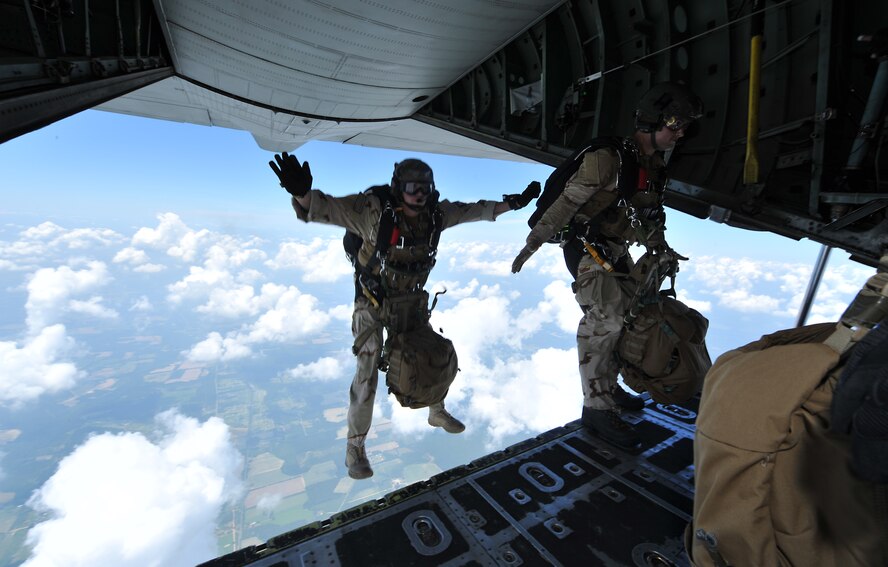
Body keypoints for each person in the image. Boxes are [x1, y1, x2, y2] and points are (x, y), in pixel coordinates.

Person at [270, 153, 540, 479]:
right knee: (367, 373)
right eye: (412, 187)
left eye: (425, 187)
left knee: (436, 353)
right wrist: (300, 193)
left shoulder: (436, 216)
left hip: (410, 302)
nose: (420, 194)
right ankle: (355, 448)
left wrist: (513, 204)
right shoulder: (372, 212)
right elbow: (326, 209)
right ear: (399, 188)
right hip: (372, 304)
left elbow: (474, 211)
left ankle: (436, 411)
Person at [510, 82, 704, 448]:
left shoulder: (654, 165)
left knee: (635, 315)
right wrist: (532, 244)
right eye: (674, 124)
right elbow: (566, 204)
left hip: (615, 248)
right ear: (650, 121)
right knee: (607, 317)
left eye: (683, 127)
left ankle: (611, 390)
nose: (679, 134)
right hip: (584, 248)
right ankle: (596, 408)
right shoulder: (608, 159)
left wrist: (660, 249)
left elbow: (648, 215)